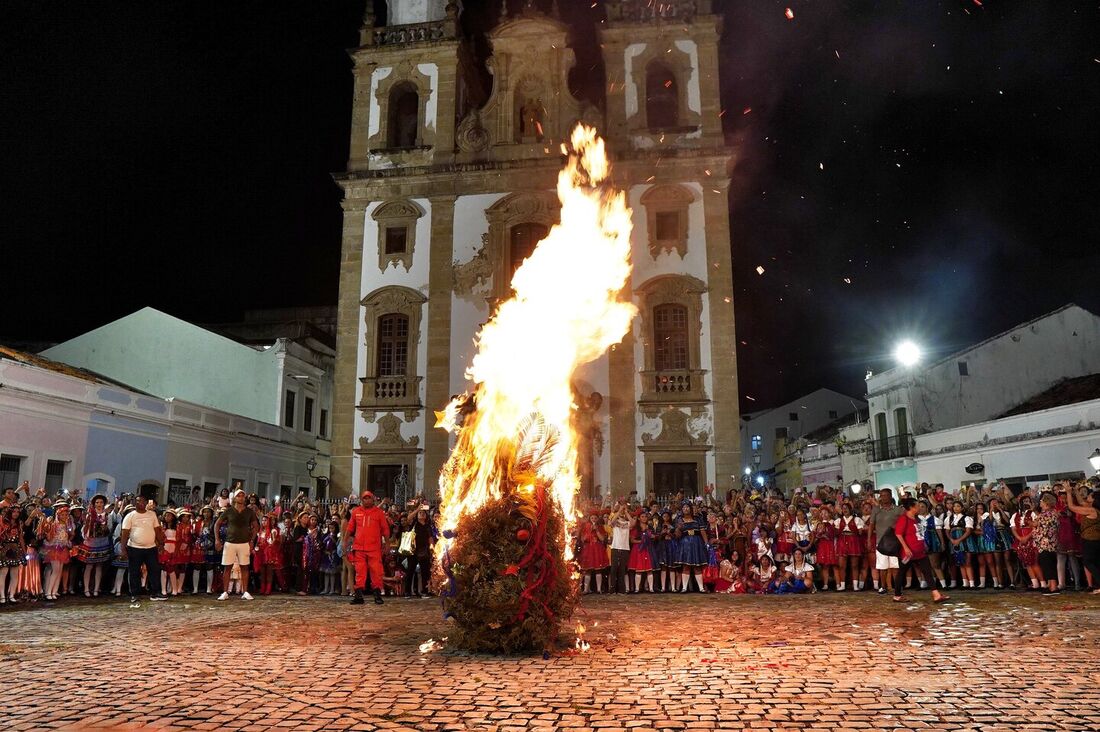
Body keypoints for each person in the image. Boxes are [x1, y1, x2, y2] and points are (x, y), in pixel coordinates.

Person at [892, 497, 949, 603]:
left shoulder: (916, 518)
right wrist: (906, 548)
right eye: (917, 505)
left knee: (927, 571)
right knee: (902, 572)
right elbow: (898, 534)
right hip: (908, 553)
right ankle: (897, 595)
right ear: (911, 507)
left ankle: (936, 594)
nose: (919, 507)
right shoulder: (904, 518)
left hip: (919, 551)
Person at [343, 490, 390, 605]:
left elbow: (385, 529)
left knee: (376, 572)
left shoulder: (379, 513)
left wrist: (387, 543)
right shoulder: (356, 512)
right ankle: (358, 596)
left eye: (369, 498)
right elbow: (350, 528)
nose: (367, 500)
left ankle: (377, 595)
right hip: (359, 548)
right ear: (361, 500)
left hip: (374, 548)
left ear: (373, 499)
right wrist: (345, 542)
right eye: (365, 498)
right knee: (360, 572)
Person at [119, 495, 167, 602]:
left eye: (142, 501)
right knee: (134, 571)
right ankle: (134, 594)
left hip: (151, 548)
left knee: (154, 570)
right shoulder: (130, 516)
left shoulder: (152, 515)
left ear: (146, 503)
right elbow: (124, 533)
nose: (139, 503)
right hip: (134, 548)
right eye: (137, 501)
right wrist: (123, 549)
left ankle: (155, 593)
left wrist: (161, 544)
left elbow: (157, 529)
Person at [214, 490, 260, 601]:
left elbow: (256, 526)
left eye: (243, 496)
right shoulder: (229, 511)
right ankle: (225, 592)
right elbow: (217, 524)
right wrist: (217, 540)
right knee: (227, 567)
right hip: (230, 542)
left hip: (244, 542)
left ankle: (245, 591)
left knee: (244, 567)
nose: (241, 498)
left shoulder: (249, 512)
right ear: (234, 498)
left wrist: (252, 540)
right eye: (239, 496)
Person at [1065, 486, 1100, 593]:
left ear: (1094, 499)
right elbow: (1081, 502)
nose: (1087, 496)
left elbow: (1072, 507)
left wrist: (1068, 493)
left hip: (1090, 540)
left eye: (1089, 495)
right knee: (1095, 562)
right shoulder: (1094, 508)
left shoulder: (1091, 510)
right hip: (1095, 539)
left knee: (1088, 562)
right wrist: (1075, 490)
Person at [868, 489, 903, 595]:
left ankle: (897, 587)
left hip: (894, 541)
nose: (884, 498)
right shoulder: (876, 509)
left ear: (890, 496)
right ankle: (883, 587)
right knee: (882, 566)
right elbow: (871, 525)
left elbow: (903, 522)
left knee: (895, 566)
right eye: (882, 496)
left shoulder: (897, 510)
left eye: (886, 495)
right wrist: (869, 539)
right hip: (880, 541)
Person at [1034, 492, 1062, 595]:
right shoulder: (1052, 513)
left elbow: (1040, 526)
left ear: (1046, 502)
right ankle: (1050, 584)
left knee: (1048, 564)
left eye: (1041, 501)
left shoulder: (1047, 514)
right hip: (1049, 542)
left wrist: (1032, 524)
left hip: (1046, 543)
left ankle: (1053, 587)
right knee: (1048, 563)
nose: (1040, 502)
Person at [608, 504, 631, 594]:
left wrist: (625, 511)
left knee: (622, 569)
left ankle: (622, 590)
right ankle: (613, 589)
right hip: (615, 547)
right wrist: (619, 511)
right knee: (613, 569)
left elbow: (633, 522)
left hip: (625, 548)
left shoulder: (627, 523)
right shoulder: (615, 522)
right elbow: (610, 523)